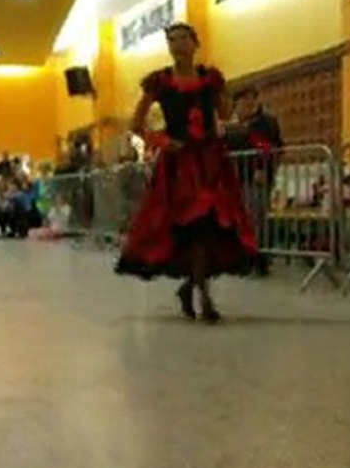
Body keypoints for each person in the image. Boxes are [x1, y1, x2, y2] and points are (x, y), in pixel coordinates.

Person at [115, 23, 257, 323]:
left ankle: (195, 290)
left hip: (210, 161)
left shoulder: (209, 79)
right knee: (191, 227)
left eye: (183, 39)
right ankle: (202, 296)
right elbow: (136, 123)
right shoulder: (160, 82)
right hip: (179, 165)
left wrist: (226, 98)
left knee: (208, 225)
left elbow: (223, 113)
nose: (177, 45)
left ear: (195, 43)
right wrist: (162, 141)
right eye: (171, 40)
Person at [232, 86, 284, 276]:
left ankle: (259, 260)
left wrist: (262, 168)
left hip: (256, 177)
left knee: (256, 219)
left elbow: (268, 147)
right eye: (243, 99)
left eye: (250, 98)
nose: (247, 103)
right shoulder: (237, 123)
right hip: (239, 177)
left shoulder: (265, 122)